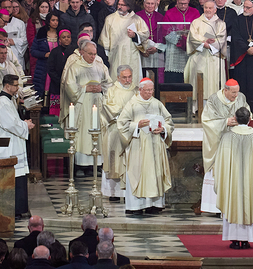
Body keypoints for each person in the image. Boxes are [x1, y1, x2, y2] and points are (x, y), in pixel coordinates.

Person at [117, 79, 174, 215]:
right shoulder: (132, 104)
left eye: (151, 90)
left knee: (155, 173)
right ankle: (136, 206)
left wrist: (163, 129)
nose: (150, 93)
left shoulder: (157, 104)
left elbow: (169, 122)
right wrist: (137, 125)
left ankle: (154, 205)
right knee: (137, 173)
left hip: (155, 145)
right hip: (138, 146)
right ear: (140, 90)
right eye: (147, 90)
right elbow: (122, 124)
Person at [214, 107, 253, 249]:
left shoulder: (227, 138)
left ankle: (234, 240)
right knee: (249, 202)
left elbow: (220, 163)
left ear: (235, 119)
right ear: (250, 119)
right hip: (250, 181)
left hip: (233, 182)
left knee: (233, 203)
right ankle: (246, 240)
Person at [200, 81, 251, 216]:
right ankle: (216, 207)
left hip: (237, 143)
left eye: (237, 92)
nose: (236, 95)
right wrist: (225, 122)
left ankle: (235, 206)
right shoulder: (213, 100)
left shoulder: (241, 97)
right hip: (219, 144)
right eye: (233, 92)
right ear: (225, 90)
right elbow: (207, 121)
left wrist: (244, 120)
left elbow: (248, 112)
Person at [62, 41, 112, 177]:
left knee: (98, 133)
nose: (92, 57)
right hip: (82, 105)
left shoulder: (100, 66)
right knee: (82, 134)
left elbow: (109, 83)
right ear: (82, 52)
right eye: (90, 54)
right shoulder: (74, 67)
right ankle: (80, 166)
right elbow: (69, 86)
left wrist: (101, 88)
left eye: (94, 54)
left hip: (97, 104)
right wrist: (85, 89)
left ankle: (97, 164)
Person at [0, 74, 35, 219]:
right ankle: (12, 210)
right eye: (15, 86)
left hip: (13, 145)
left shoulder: (8, 100)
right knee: (12, 179)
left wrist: (23, 123)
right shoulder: (2, 102)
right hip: (7, 148)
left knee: (18, 178)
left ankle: (18, 209)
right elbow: (9, 124)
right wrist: (25, 125)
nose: (17, 88)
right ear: (7, 86)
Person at [100, 65, 138, 201]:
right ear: (118, 77)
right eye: (124, 77)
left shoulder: (136, 91)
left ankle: (130, 192)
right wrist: (123, 113)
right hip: (115, 129)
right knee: (114, 159)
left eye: (129, 77)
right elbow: (106, 108)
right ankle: (114, 192)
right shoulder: (111, 91)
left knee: (131, 160)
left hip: (132, 130)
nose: (127, 80)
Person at [185, 1, 227, 115]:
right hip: (199, 57)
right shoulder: (196, 22)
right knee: (199, 83)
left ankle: (215, 109)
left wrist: (209, 45)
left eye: (210, 8)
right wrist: (204, 43)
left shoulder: (220, 24)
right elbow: (193, 37)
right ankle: (197, 108)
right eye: (206, 8)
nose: (208, 10)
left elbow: (221, 39)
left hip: (214, 58)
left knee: (214, 83)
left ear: (215, 10)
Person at [100, 0, 150, 82]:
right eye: (119, 4)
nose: (119, 7)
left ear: (129, 6)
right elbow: (105, 37)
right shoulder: (110, 19)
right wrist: (106, 55)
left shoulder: (136, 19)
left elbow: (145, 34)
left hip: (131, 54)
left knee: (131, 80)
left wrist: (135, 35)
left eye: (122, 5)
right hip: (115, 55)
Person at [163, 0, 200, 84]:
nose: (183, 6)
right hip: (174, 49)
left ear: (189, 1)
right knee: (175, 78)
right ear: (177, 1)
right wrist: (180, 40)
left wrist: (189, 39)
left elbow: (199, 29)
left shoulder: (195, 12)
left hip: (191, 47)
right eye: (181, 4)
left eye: (185, 4)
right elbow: (166, 31)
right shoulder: (169, 13)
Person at [137, 0, 166, 83]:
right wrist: (141, 50)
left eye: (152, 4)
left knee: (157, 77)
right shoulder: (137, 16)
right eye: (148, 3)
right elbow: (135, 35)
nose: (150, 6)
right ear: (144, 4)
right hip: (143, 51)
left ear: (156, 4)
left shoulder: (161, 17)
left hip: (156, 51)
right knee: (143, 76)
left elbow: (164, 36)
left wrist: (157, 48)